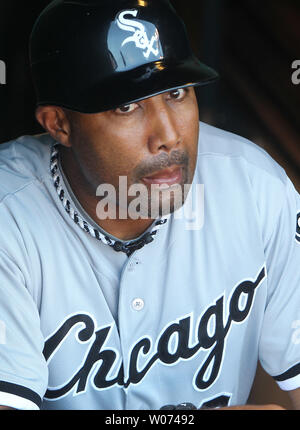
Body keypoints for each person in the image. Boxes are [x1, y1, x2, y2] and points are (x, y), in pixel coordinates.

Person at [0, 0, 299, 411]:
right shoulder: (9, 217)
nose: (168, 136)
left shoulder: (256, 189)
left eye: (176, 93)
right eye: (127, 106)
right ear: (59, 124)